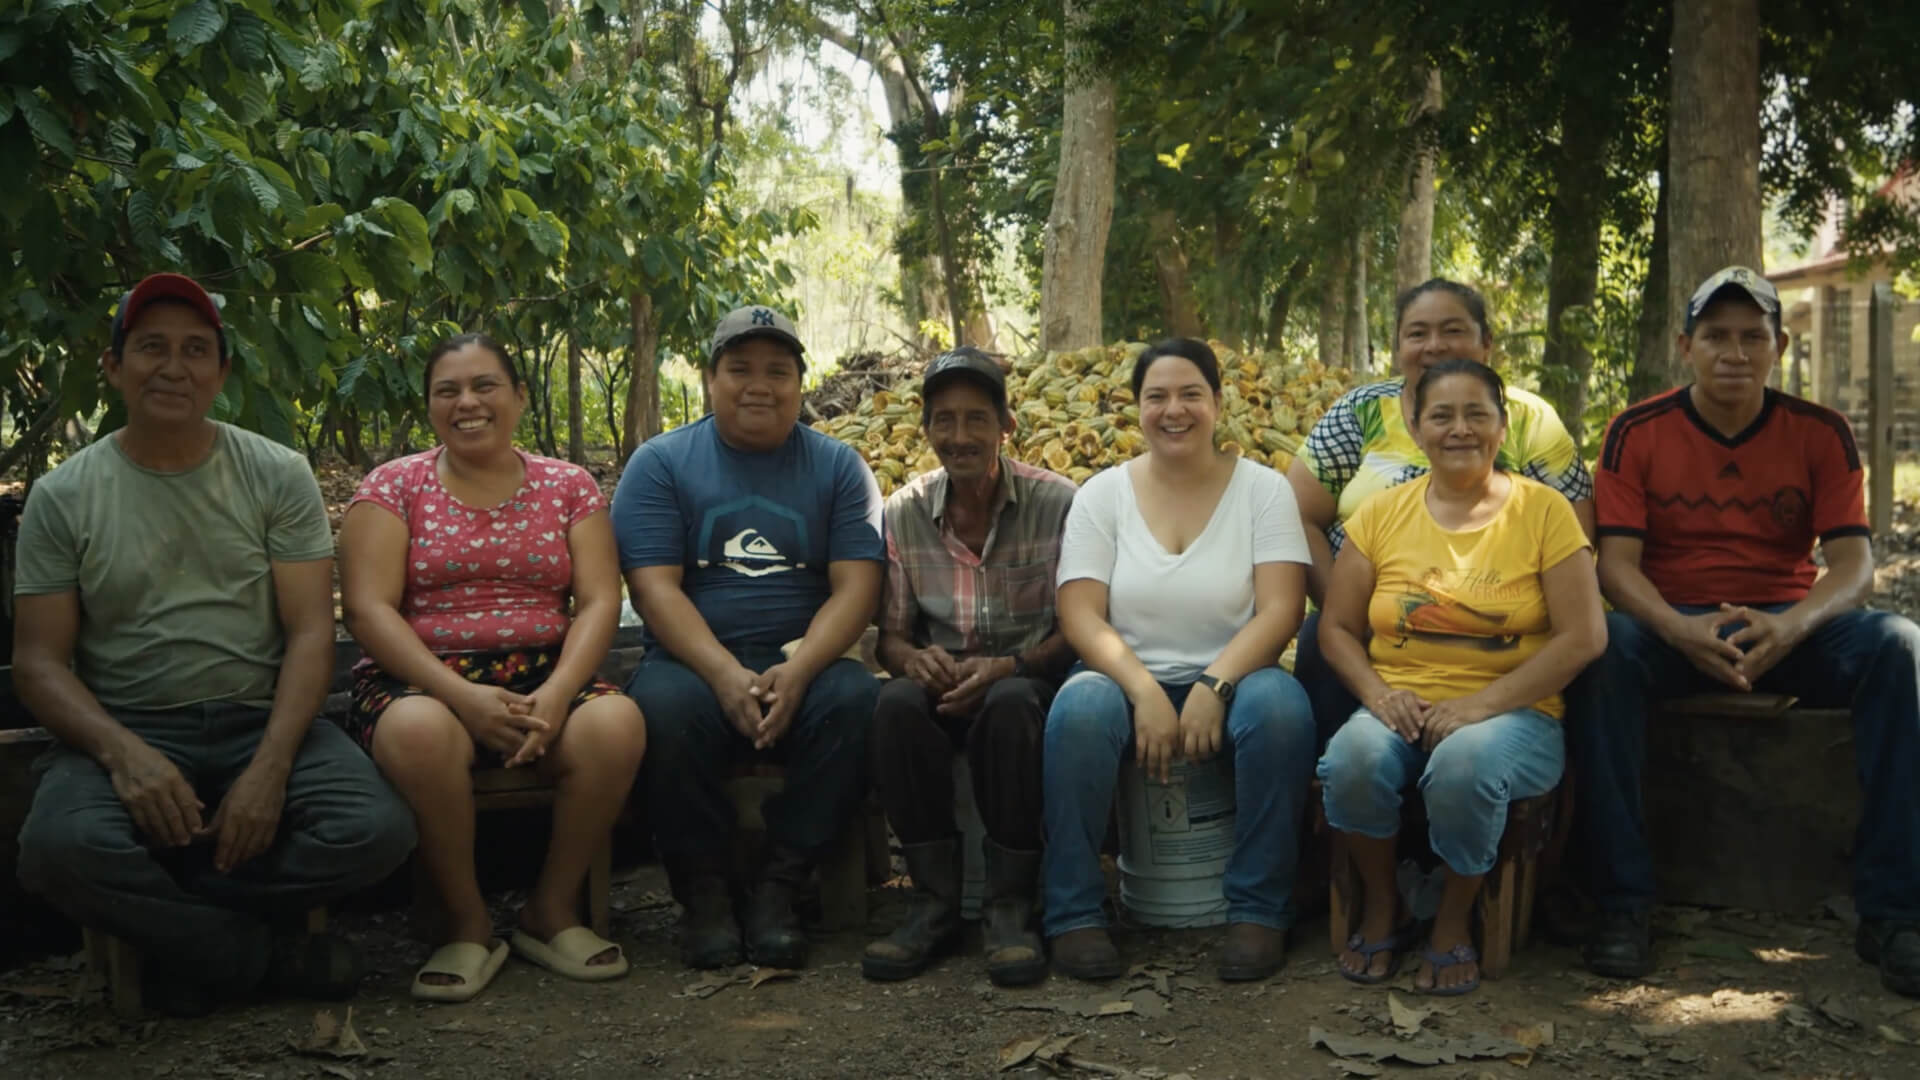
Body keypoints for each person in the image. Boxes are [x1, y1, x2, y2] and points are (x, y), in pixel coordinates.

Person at [11, 274, 415, 1016]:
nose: (175, 367)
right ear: (113, 366)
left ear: (222, 373)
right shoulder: (64, 495)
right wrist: (123, 754)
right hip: (126, 723)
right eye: (152, 348)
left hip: (258, 717)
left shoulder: (275, 473)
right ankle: (251, 955)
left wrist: (270, 767)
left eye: (197, 350)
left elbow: (307, 634)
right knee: (56, 851)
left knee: (376, 828)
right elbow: (38, 662)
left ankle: (180, 930)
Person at [1570, 266, 1920, 997]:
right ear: (1685, 346)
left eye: (1752, 337)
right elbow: (1615, 567)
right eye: (1716, 336)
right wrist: (1676, 629)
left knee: (1899, 648)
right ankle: (1622, 903)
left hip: (1786, 625)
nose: (1735, 352)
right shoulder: (1636, 431)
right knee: (1602, 653)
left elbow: (1853, 567)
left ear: (1779, 345)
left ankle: (1895, 912)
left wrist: (1790, 629)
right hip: (1672, 626)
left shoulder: (1821, 433)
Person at [337, 334, 647, 1002]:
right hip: (416, 677)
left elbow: (598, 600)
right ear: (428, 407)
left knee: (616, 724)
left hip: (541, 671)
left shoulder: (568, 485)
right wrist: (461, 696)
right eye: (447, 391)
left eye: (485, 386)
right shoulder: (393, 487)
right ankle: (466, 923)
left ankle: (550, 911)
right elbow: (367, 610)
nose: (467, 403)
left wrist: (561, 692)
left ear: (519, 398)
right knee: (422, 732)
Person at [1316, 358, 1605, 996]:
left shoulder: (1545, 511)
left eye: (1478, 414)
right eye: (1441, 415)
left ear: (1503, 426)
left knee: (1464, 764)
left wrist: (1482, 705)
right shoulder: (1381, 515)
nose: (1460, 429)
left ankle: (1453, 917)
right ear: (1415, 429)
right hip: (1400, 702)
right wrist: (1377, 695)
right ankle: (1383, 904)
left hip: (1516, 716)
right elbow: (1335, 628)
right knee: (1352, 759)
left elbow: (1585, 635)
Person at [614, 305, 885, 971]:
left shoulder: (840, 468)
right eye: (739, 369)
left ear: (800, 383)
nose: (759, 384)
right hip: (692, 659)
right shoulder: (661, 464)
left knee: (855, 700)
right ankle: (704, 894)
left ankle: (780, 887)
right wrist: (722, 673)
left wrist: (798, 672)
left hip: (804, 658)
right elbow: (654, 589)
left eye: (778, 371)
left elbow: (856, 588)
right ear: (710, 379)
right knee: (663, 712)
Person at [1044, 338, 1317, 983]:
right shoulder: (1102, 495)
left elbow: (1281, 609)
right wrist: (1142, 690)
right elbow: (1080, 612)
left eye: (1191, 394)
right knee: (1078, 710)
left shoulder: (1264, 491)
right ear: (1136, 409)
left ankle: (1259, 908)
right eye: (1157, 396)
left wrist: (1214, 683)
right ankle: (1075, 913)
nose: (1175, 410)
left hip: (1236, 672)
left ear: (1218, 403)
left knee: (1282, 712)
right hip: (1121, 675)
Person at [1287, 280, 1594, 743]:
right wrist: (1350, 610)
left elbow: (1577, 534)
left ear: (1486, 343)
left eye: (1452, 330)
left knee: (1597, 650)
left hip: (1505, 620)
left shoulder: (1530, 419)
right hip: (1371, 605)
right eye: (1417, 334)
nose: (1434, 346)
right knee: (1321, 642)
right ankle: (1320, 799)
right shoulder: (1361, 412)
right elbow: (1299, 513)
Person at [862, 347, 1077, 987]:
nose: (960, 437)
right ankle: (932, 901)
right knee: (894, 704)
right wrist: (914, 660)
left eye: (977, 419)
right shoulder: (903, 512)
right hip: (945, 685)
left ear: (1005, 426)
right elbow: (890, 637)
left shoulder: (1058, 502)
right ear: (926, 429)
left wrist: (1009, 664)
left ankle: (1010, 907)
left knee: (1011, 703)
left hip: (1026, 680)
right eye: (945, 421)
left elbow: (1081, 628)